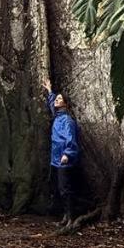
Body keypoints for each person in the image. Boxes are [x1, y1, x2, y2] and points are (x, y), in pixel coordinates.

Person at [42, 79, 81, 224]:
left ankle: (70, 217)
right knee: (58, 188)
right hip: (55, 158)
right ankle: (65, 216)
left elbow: (71, 139)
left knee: (65, 189)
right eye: (56, 99)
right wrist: (49, 90)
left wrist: (67, 154)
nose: (56, 101)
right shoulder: (57, 116)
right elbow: (52, 105)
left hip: (64, 159)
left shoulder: (67, 121)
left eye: (59, 99)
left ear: (65, 103)